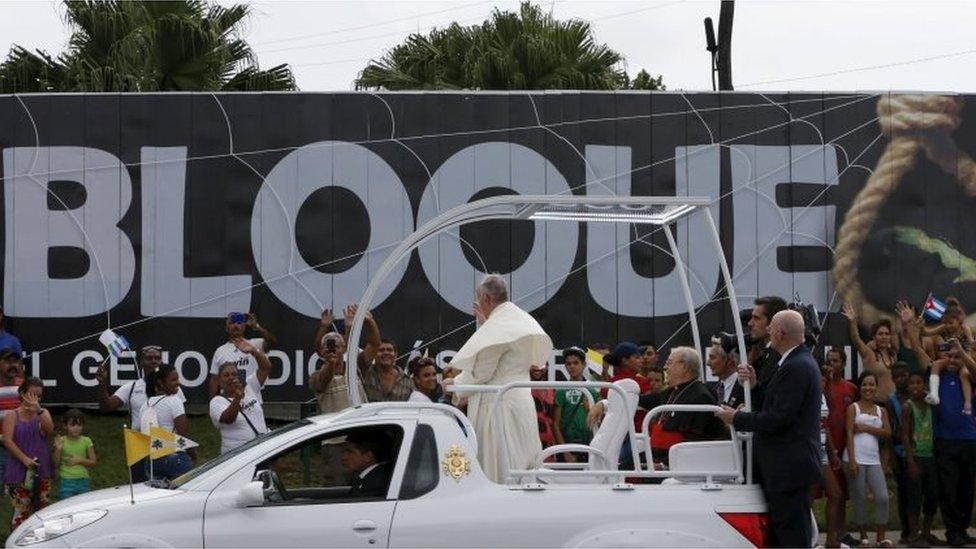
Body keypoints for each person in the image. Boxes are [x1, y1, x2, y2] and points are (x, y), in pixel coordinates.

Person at [716, 310, 822, 548]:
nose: (767, 332)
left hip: (789, 467)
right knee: (784, 532)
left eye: (771, 327)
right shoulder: (794, 363)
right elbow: (777, 404)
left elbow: (778, 418)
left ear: (781, 333)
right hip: (785, 466)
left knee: (792, 535)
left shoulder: (796, 366)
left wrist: (737, 418)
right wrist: (754, 385)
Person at [447, 274, 551, 483]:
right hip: (521, 405)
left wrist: (453, 385)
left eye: (479, 302)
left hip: (498, 409)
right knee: (523, 466)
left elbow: (482, 372)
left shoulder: (499, 328)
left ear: (486, 298)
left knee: (500, 470)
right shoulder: (517, 318)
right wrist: (486, 324)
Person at [591, 347, 726, 468]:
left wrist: (664, 465)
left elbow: (695, 440)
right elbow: (640, 401)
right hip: (658, 454)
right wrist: (603, 404)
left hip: (680, 463)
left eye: (669, 363)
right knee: (621, 465)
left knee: (627, 470)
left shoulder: (701, 396)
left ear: (684, 367)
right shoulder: (672, 391)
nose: (665, 368)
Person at [906, 332, 976, 547]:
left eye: (957, 357)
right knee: (950, 489)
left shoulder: (969, 377)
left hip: (970, 440)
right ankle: (953, 531)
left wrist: (962, 353)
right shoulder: (937, 376)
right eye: (950, 357)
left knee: (967, 489)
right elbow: (918, 351)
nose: (953, 361)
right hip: (946, 441)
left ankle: (963, 529)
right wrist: (910, 326)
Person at [96, 344, 185, 482]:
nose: (154, 361)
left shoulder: (174, 388)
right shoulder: (131, 387)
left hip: (168, 449)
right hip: (140, 449)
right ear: (141, 363)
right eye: (149, 358)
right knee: (142, 492)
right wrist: (102, 384)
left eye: (157, 358)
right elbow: (106, 407)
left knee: (171, 493)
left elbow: (181, 422)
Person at [843, 372, 892, 548]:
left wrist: (866, 427)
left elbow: (888, 433)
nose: (868, 388)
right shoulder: (853, 408)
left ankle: (881, 538)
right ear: (860, 387)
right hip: (854, 458)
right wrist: (853, 460)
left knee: (882, 497)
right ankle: (863, 536)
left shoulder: (882, 411)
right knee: (860, 497)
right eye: (864, 384)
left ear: (876, 387)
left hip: (873, 460)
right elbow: (849, 433)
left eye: (871, 385)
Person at [2, 378, 53, 529]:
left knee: (42, 513)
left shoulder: (43, 413)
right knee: (21, 515)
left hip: (41, 471)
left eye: (39, 396)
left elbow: (49, 430)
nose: (35, 399)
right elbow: (7, 440)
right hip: (18, 472)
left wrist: (39, 410)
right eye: (31, 395)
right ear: (22, 393)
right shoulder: (12, 415)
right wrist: (24, 459)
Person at [209, 338, 272, 454]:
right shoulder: (217, 401)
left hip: (262, 449)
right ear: (220, 381)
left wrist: (254, 351)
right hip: (237, 455)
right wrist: (237, 398)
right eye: (226, 375)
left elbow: (266, 368)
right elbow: (228, 419)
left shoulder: (249, 387)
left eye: (234, 374)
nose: (231, 377)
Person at [901, 371, 940, 548]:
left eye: (919, 383)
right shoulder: (908, 407)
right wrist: (910, 462)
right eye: (912, 383)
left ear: (924, 385)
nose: (915, 386)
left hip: (930, 457)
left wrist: (930, 395)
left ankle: (926, 532)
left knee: (932, 496)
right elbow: (905, 436)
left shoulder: (930, 404)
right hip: (916, 458)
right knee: (914, 498)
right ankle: (914, 535)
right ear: (908, 387)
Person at [309, 308, 368, 414]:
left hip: (360, 424)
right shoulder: (315, 377)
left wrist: (350, 327)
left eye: (337, 346)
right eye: (329, 346)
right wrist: (331, 363)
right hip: (336, 428)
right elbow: (323, 381)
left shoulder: (356, 369)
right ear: (322, 351)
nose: (334, 349)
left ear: (344, 349)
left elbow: (351, 345)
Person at [141, 364, 194, 481]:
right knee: (184, 497)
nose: (178, 383)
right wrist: (193, 457)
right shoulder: (174, 401)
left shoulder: (145, 405)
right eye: (173, 380)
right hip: (176, 458)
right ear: (160, 383)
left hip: (152, 461)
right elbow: (183, 436)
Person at [208, 311, 276, 397]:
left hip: (252, 396)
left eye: (239, 323)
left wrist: (257, 327)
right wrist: (213, 402)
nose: (236, 325)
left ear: (244, 326)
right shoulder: (220, 351)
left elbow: (273, 343)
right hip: (228, 400)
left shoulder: (255, 344)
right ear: (227, 327)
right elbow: (214, 379)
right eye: (232, 323)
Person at [738, 296, 788, 410]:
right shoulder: (766, 355)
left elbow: (773, 405)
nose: (750, 323)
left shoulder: (781, 356)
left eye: (756, 318)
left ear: (773, 322)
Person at [842, 304, 898, 401]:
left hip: (894, 404)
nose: (884, 337)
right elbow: (856, 339)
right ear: (874, 337)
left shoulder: (893, 355)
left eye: (887, 334)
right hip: (876, 403)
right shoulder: (869, 354)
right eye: (880, 334)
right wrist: (853, 321)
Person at [553, 347, 598, 463]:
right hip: (567, 445)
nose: (572, 366)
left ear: (583, 365)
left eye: (576, 363)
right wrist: (565, 452)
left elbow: (600, 422)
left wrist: (590, 409)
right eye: (568, 364)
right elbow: (555, 424)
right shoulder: (561, 390)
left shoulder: (593, 390)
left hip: (590, 446)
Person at [53, 409, 96, 499]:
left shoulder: (86, 441)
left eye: (79, 425)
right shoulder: (61, 441)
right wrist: (57, 449)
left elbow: (93, 462)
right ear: (65, 426)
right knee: (67, 508)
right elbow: (55, 464)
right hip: (66, 481)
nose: (76, 428)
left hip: (83, 480)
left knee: (83, 508)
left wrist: (79, 460)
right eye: (72, 425)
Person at [341, 430, 395, 498]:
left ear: (368, 457)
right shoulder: (372, 477)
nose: (344, 457)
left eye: (350, 451)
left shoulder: (374, 486)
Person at [0, 349, 25, 490]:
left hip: (21, 448)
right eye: (8, 361)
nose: (13, 365)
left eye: (15, 361)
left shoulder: (24, 386)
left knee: (19, 493)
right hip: (1, 448)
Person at [362, 338, 414, 403]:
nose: (386, 353)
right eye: (381, 350)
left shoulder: (408, 382)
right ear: (374, 354)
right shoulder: (365, 374)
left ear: (395, 354)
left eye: (389, 350)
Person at [706, 338, 743, 408]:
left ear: (729, 360)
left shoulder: (745, 387)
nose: (708, 363)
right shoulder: (714, 389)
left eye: (712, 358)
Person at [530, 365, 556, 453]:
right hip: (532, 436)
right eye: (534, 369)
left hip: (549, 439)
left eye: (540, 368)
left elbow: (555, 418)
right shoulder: (524, 390)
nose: (537, 371)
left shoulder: (551, 389)